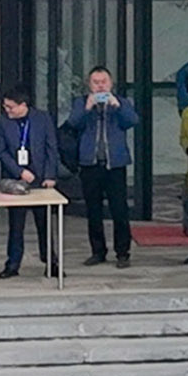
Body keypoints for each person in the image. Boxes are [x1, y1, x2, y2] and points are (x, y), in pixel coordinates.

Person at [61, 67, 137, 267]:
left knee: (119, 209)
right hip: (90, 164)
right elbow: (73, 123)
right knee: (93, 209)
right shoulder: (80, 102)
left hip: (115, 164)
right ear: (89, 84)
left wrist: (116, 105)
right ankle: (97, 251)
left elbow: (132, 121)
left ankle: (123, 252)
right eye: (96, 82)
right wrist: (87, 107)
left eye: (103, 81)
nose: (100, 85)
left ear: (110, 83)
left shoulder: (122, 101)